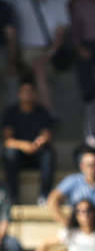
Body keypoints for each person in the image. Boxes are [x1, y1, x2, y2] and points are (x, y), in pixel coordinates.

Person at [16, 0, 70, 115]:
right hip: (28, 50)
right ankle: (48, 112)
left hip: (51, 50)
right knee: (39, 71)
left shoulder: (58, 5)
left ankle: (43, 113)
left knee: (41, 72)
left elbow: (60, 34)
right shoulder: (22, 5)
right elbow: (15, 32)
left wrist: (49, 53)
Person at [2, 77, 55, 205]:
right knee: (9, 153)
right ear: (19, 94)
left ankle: (44, 195)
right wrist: (24, 145)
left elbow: (46, 135)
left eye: (30, 91)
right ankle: (12, 196)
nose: (27, 94)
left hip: (37, 152)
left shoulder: (42, 112)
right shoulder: (11, 112)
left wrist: (36, 144)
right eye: (24, 91)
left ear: (35, 94)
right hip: (18, 155)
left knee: (49, 153)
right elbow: (8, 140)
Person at [47, 146, 95, 225]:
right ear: (82, 166)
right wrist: (67, 223)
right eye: (89, 165)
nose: (93, 168)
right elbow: (52, 200)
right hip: (74, 226)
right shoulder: (72, 180)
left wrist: (87, 225)